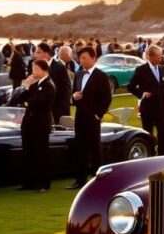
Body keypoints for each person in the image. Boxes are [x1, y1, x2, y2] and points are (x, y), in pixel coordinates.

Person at [67, 47, 112, 189]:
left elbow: (107, 98)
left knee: (95, 149)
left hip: (93, 118)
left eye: (84, 58)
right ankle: (80, 180)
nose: (81, 61)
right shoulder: (79, 74)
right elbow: (74, 94)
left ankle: (98, 181)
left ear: (94, 58)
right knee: (79, 148)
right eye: (80, 58)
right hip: (80, 117)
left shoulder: (101, 76)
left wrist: (98, 115)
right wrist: (73, 97)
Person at [10, 59, 55, 191]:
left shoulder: (49, 85)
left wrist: (28, 95)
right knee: (28, 152)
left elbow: (37, 101)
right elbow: (20, 98)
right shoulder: (35, 85)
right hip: (29, 123)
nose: (33, 72)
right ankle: (28, 182)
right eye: (33, 69)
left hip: (40, 124)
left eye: (36, 69)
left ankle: (43, 183)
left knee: (41, 153)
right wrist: (26, 87)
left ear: (44, 70)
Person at [127, 45, 164, 156]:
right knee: (148, 134)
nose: (160, 59)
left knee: (163, 132)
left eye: (161, 56)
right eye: (158, 56)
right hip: (147, 109)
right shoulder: (141, 70)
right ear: (150, 56)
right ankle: (150, 156)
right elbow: (130, 86)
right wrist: (142, 94)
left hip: (161, 108)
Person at [36, 43, 72, 122]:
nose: (36, 55)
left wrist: (60, 108)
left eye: (38, 52)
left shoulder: (59, 67)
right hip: (41, 110)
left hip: (57, 109)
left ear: (46, 53)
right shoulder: (36, 67)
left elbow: (67, 89)